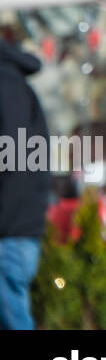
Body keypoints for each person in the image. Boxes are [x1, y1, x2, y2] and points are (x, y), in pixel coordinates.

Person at [0, 38, 51, 330]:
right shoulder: (15, 85)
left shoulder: (6, 86)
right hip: (14, 229)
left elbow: (14, 156)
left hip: (7, 230)